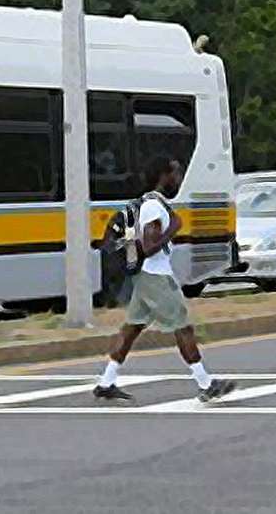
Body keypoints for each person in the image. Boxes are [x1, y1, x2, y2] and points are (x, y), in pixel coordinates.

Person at [94, 155, 236, 404]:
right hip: (156, 277)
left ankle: (106, 382)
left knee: (132, 328)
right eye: (176, 173)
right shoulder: (152, 207)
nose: (178, 179)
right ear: (164, 176)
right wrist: (175, 227)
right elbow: (149, 247)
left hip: (147, 276)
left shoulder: (155, 204)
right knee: (183, 328)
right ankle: (206, 384)